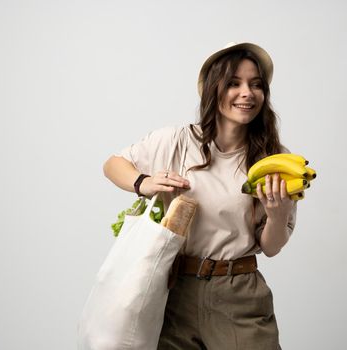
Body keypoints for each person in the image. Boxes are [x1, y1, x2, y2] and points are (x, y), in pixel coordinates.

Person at [103, 42, 298, 350]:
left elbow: (271, 248)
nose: (247, 93)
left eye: (256, 85)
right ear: (213, 89)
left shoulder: (274, 159)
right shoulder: (177, 141)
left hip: (239, 293)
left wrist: (278, 214)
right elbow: (113, 164)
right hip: (173, 290)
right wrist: (144, 182)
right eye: (234, 83)